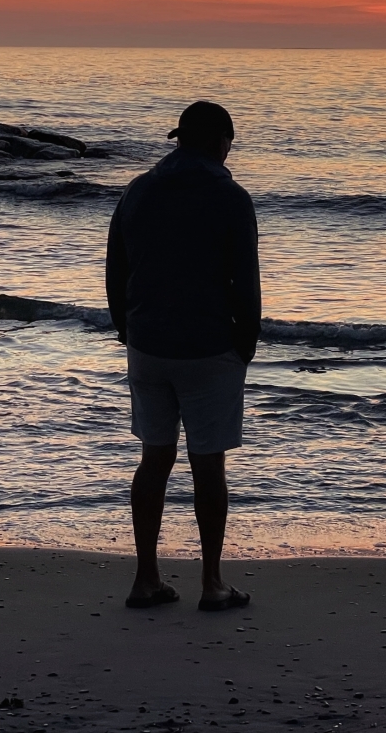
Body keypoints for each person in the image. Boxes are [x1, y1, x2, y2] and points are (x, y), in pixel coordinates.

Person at [105, 100, 261, 612]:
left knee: (154, 458)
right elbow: (246, 280)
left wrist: (128, 329)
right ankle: (212, 582)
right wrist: (246, 343)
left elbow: (115, 267)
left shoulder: (138, 190)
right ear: (221, 141)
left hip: (148, 343)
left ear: (179, 139)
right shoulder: (229, 196)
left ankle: (145, 578)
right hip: (208, 345)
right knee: (207, 465)